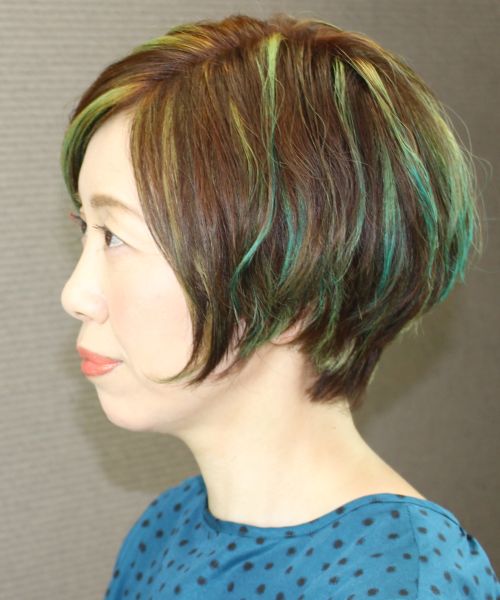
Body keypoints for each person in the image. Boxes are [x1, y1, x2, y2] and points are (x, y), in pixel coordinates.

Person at [59, 12, 498, 600]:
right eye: (85, 229)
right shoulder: (166, 529)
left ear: (293, 272)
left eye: (116, 236)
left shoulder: (403, 583)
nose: (75, 295)